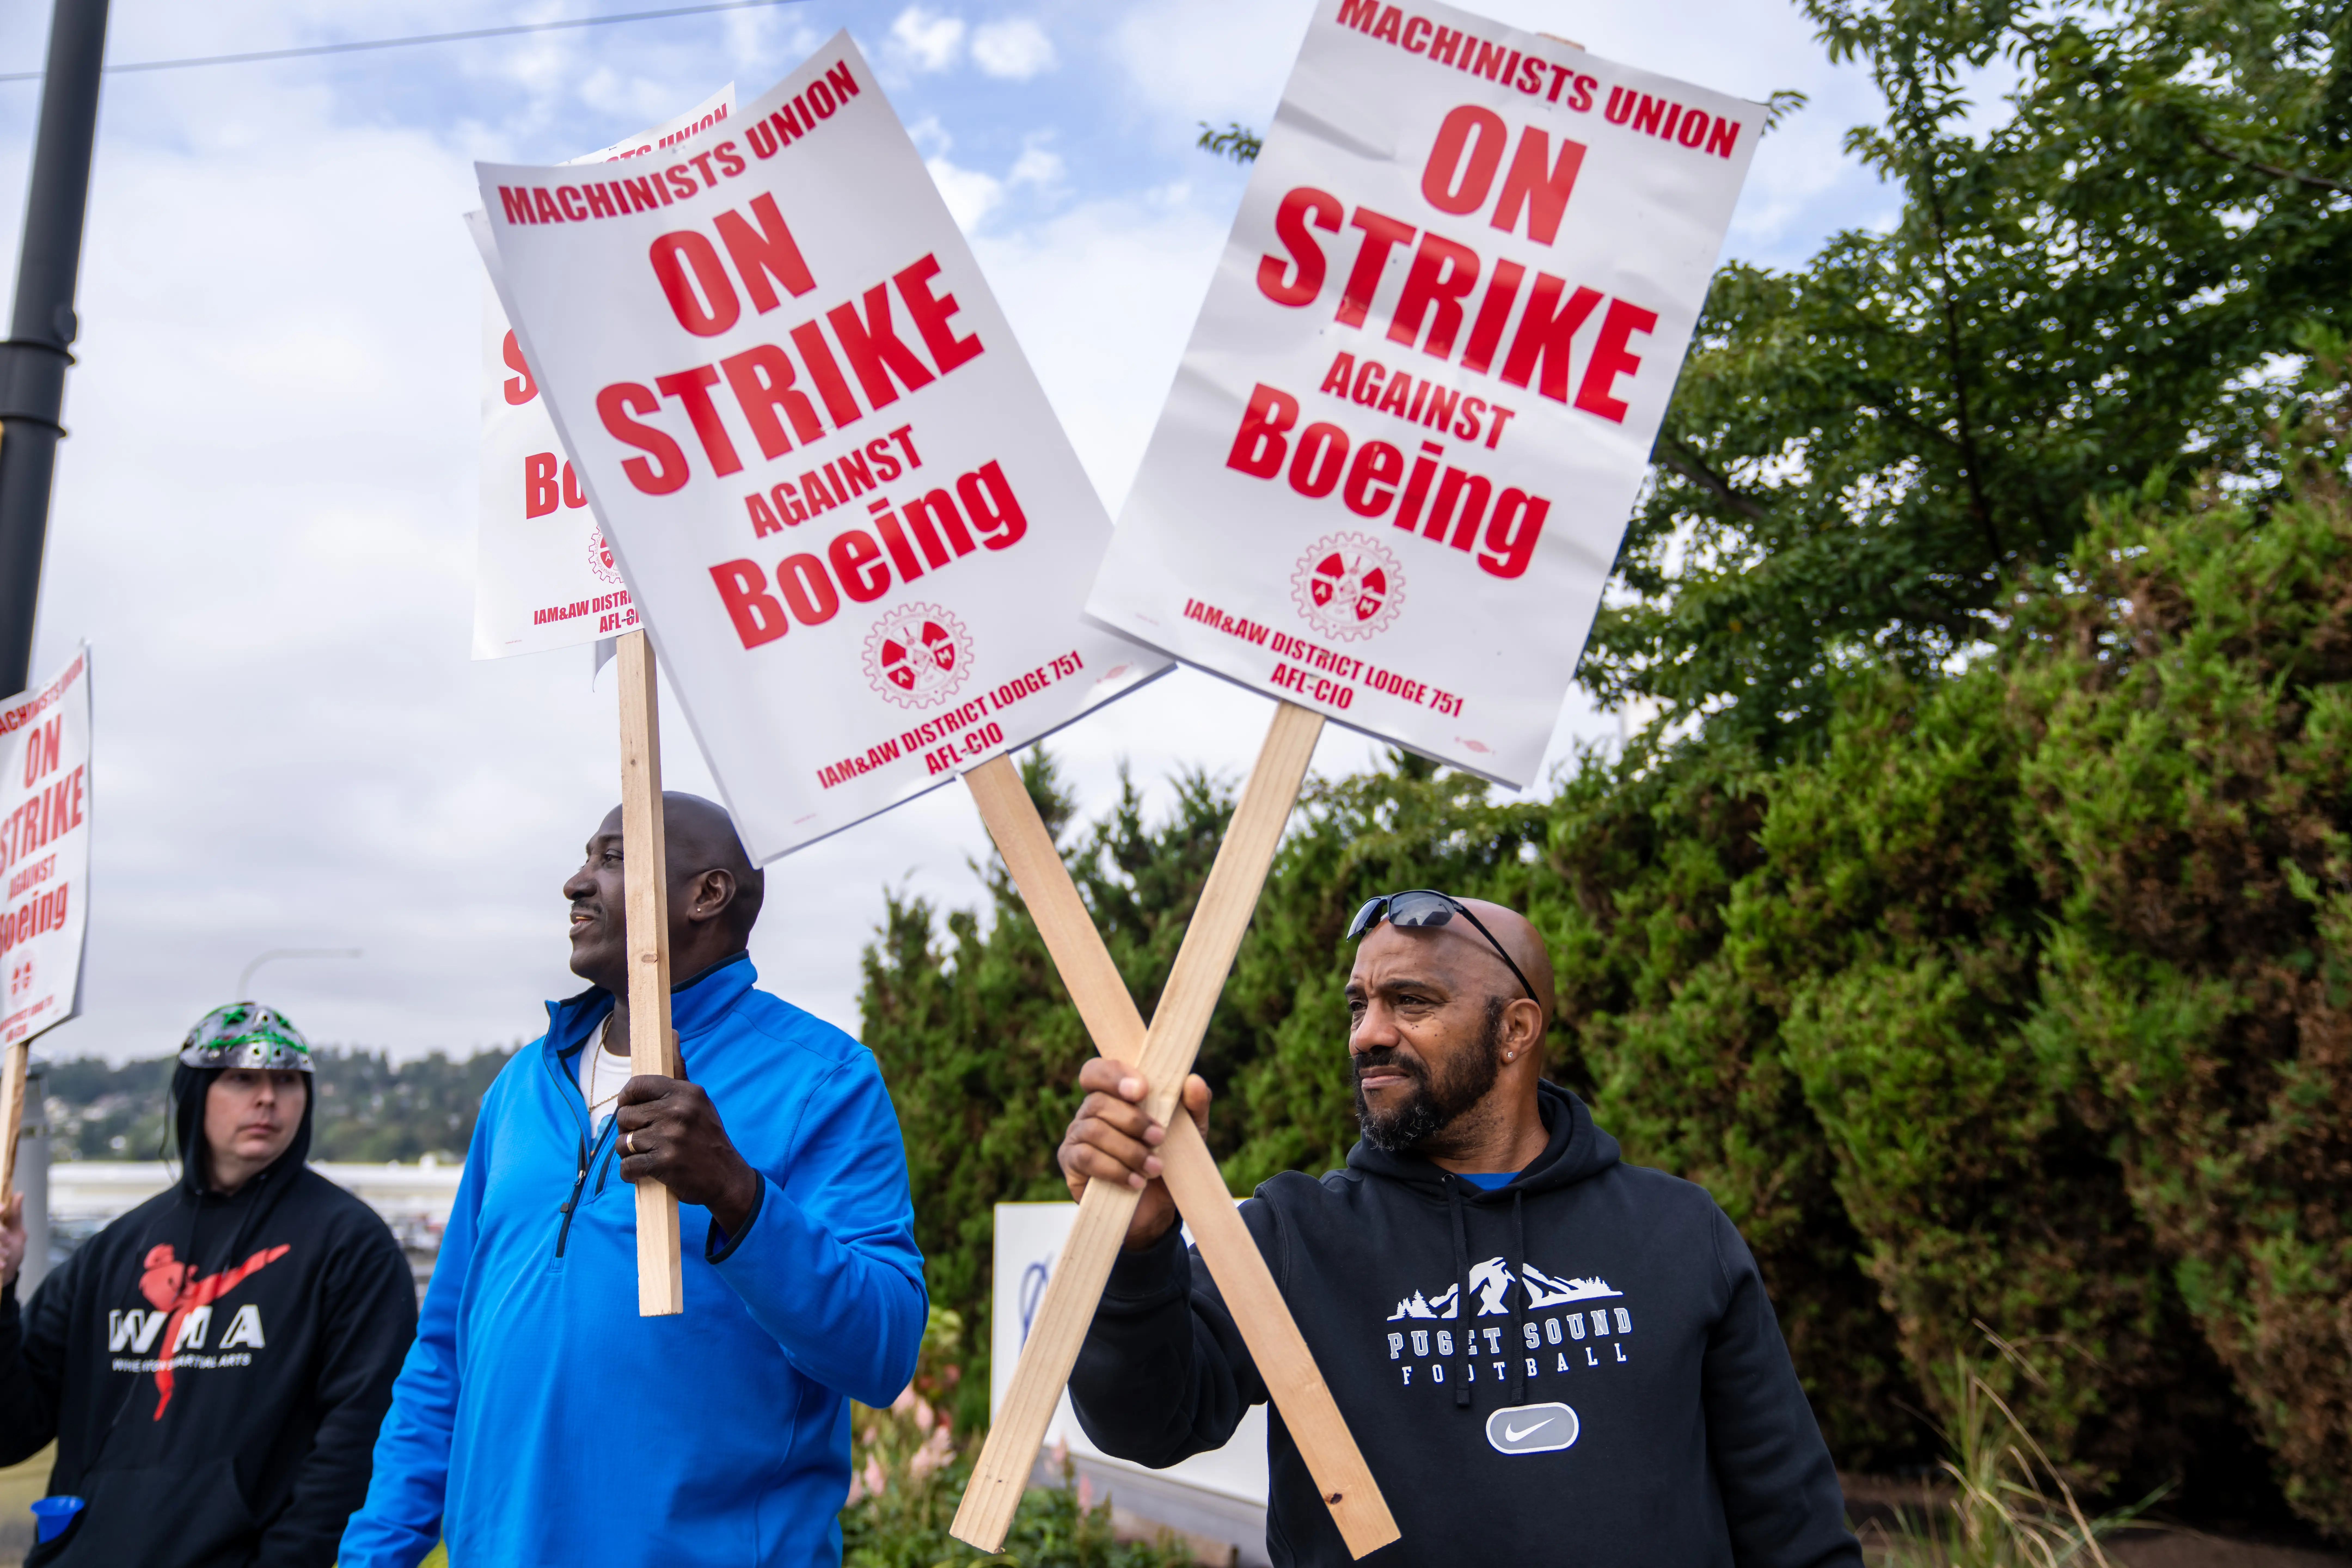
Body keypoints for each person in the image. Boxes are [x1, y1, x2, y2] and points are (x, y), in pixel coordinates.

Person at [1060, 891, 1863, 1567]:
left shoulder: (1679, 1232)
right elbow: (1147, 1424)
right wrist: (1134, 1248)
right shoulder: (1292, 1238)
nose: (1367, 1033)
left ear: (1516, 1030)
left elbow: (1792, 1524)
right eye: (1359, 1005)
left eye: (1412, 1002)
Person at [340, 792, 925, 1568]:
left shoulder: (824, 1079)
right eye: (587, 857)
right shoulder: (521, 1086)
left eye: (612, 859)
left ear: (706, 894)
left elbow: (881, 1352)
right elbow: (444, 1352)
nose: (576, 883)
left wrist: (737, 1195)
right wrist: (373, 1555)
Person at [0, 1003, 419, 1566]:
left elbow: (356, 1441)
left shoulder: (350, 1244)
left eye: (288, 1080)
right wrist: (2, 1294)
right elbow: (12, 1432)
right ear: (195, 1092)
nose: (268, 1098)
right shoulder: (114, 1251)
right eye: (242, 1078)